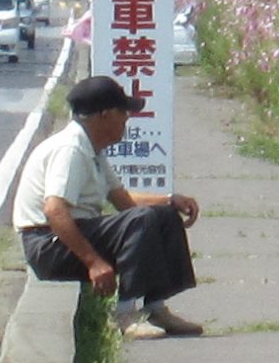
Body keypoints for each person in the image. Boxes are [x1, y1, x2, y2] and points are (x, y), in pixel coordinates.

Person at [13, 74, 202, 336]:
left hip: (71, 235)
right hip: (49, 244)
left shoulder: (92, 149)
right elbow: (54, 211)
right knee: (141, 220)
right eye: (123, 113)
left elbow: (123, 201)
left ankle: (156, 308)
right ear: (104, 115)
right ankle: (125, 314)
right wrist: (94, 263)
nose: (127, 120)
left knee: (163, 216)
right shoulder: (71, 150)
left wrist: (170, 200)